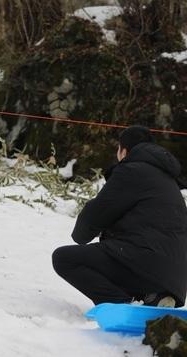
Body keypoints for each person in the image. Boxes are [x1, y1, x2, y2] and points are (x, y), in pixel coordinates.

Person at [52, 125, 187, 307]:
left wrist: (81, 234)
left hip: (143, 262)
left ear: (124, 151)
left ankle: (123, 305)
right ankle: (152, 297)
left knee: (64, 259)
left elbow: (96, 214)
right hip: (174, 279)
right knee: (119, 253)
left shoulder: (132, 170)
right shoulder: (169, 182)